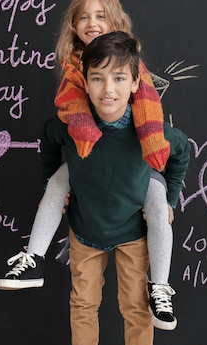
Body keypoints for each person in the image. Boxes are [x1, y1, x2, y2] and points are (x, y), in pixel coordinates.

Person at [0, 0, 181, 330]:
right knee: (54, 185)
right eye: (84, 17)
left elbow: (152, 115)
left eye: (101, 16)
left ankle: (160, 285)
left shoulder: (131, 64)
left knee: (157, 207)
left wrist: (169, 193)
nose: (92, 23)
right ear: (73, 26)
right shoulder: (73, 70)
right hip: (90, 157)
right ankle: (33, 257)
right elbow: (62, 123)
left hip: (135, 155)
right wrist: (68, 170)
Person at [47, 31, 190, 345]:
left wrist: (170, 199)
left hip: (132, 231)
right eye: (97, 79)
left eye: (119, 78)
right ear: (84, 82)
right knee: (83, 305)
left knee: (137, 306)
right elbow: (49, 138)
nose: (108, 89)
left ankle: (161, 287)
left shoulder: (150, 130)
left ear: (136, 83)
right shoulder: (74, 125)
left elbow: (182, 151)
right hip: (87, 229)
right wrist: (54, 183)